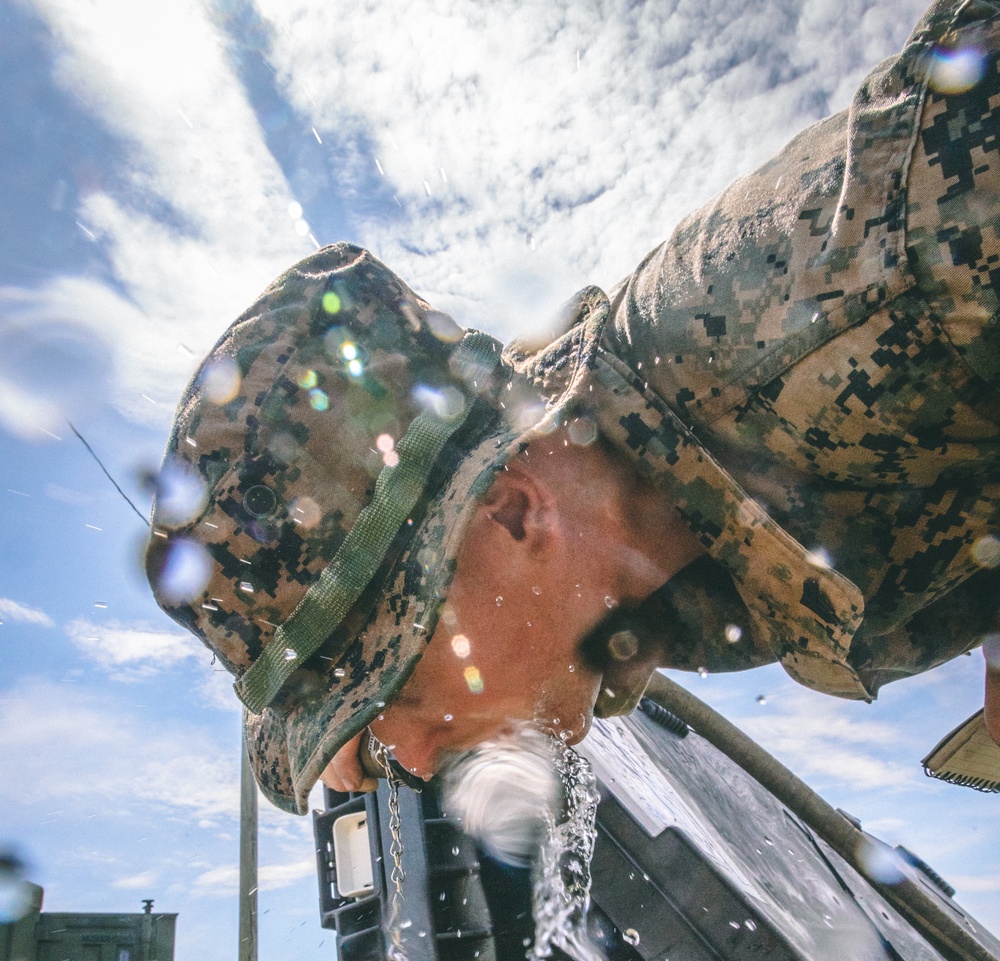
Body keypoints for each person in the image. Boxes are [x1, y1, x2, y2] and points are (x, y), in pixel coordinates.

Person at [146, 0, 1000, 815]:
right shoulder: (627, 573)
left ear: (514, 513)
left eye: (390, 682)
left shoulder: (870, 263)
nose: (405, 761)